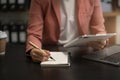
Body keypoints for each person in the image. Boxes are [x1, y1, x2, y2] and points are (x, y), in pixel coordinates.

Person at [26, 0, 108, 62]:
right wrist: (33, 50)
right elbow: (34, 33)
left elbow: (99, 29)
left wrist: (101, 40)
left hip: (81, 52)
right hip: (51, 52)